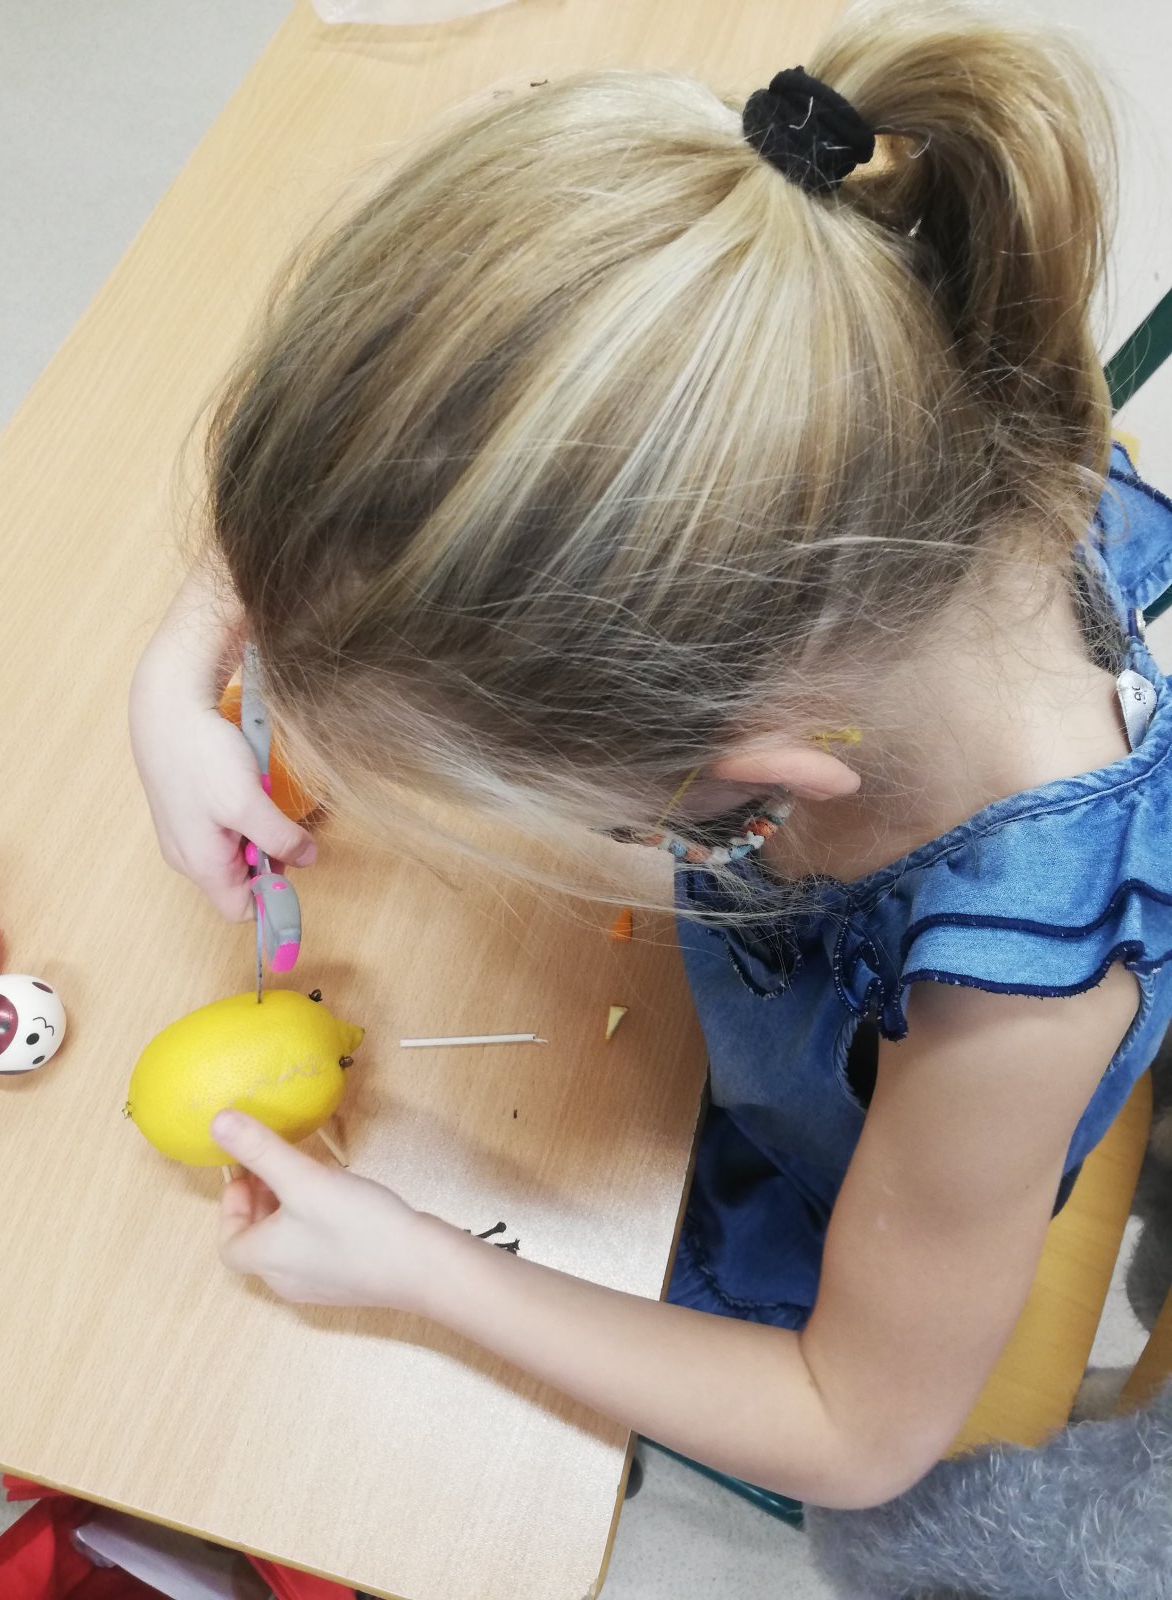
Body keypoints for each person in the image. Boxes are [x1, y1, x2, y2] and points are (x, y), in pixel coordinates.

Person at [129, 3, 1172, 1510]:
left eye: (607, 816)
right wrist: (186, 667)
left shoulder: (1014, 1002)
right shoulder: (804, 391)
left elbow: (853, 1432)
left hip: (861, 1203)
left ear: (767, 781)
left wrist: (419, 1263)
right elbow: (413, 449)